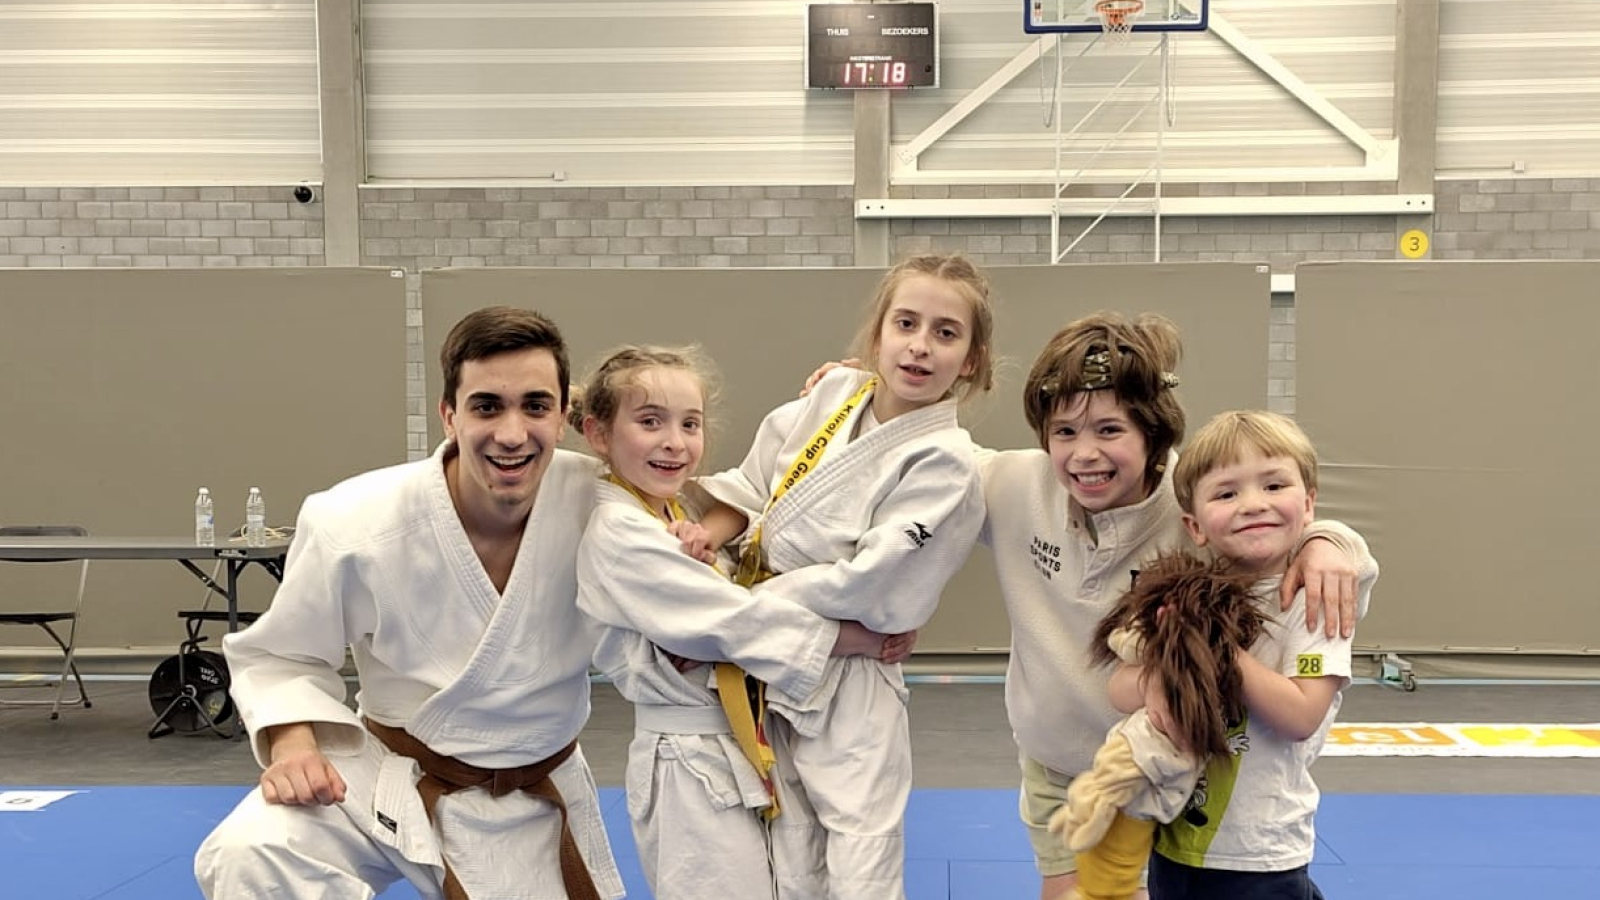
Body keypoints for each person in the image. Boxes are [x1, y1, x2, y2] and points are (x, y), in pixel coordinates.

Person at [194, 306, 624, 900]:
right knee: (252, 853)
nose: (511, 433)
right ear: (449, 415)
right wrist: (293, 745)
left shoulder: (607, 506)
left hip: (530, 788)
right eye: (486, 407)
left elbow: (724, 517)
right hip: (386, 771)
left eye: (535, 406)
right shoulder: (354, 519)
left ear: (561, 417)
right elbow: (282, 655)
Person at [974, 313, 1373, 900]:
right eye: (1065, 432)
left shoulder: (1198, 498)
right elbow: (915, 461)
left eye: (1110, 429)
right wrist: (855, 394)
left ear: (1152, 433)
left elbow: (1270, 519)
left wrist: (1332, 541)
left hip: (1171, 765)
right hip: (1059, 759)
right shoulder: (1009, 483)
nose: (1085, 453)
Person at [694, 253, 997, 900]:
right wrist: (708, 542)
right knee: (789, 852)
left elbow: (866, 584)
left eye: (946, 333)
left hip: (851, 673)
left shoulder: (945, 461)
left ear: (971, 359)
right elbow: (753, 485)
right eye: (906, 323)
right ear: (877, 333)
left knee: (862, 861)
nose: (920, 346)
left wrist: (744, 603)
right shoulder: (831, 396)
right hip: (771, 661)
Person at [570, 344, 913, 900]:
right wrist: (853, 638)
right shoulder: (617, 529)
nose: (674, 442)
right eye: (650, 422)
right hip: (687, 757)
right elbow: (734, 619)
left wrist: (844, 392)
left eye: (690, 424)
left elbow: (770, 490)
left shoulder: (677, 511)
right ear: (599, 433)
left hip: (743, 740)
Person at [1119, 409, 1374, 899]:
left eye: (1274, 485)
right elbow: (1117, 686)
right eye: (1227, 494)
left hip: (1260, 852)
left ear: (1309, 504)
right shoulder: (1188, 596)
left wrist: (1220, 651)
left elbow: (1301, 715)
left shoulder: (1314, 600)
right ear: (1194, 526)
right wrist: (1161, 678)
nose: (1254, 504)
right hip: (1174, 840)